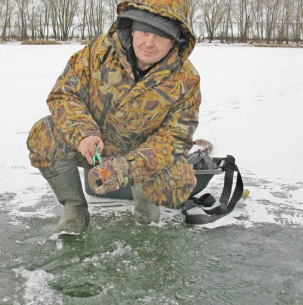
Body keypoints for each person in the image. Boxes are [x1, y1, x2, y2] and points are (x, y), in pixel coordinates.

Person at [27, 0, 201, 236]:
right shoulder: (99, 51)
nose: (149, 42)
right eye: (145, 31)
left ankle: (145, 208)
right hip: (95, 147)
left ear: (175, 40)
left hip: (141, 156)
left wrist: (126, 168)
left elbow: (175, 139)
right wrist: (84, 133)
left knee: (177, 177)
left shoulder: (186, 80)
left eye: (160, 35)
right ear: (132, 28)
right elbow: (64, 94)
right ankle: (75, 207)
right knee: (43, 134)